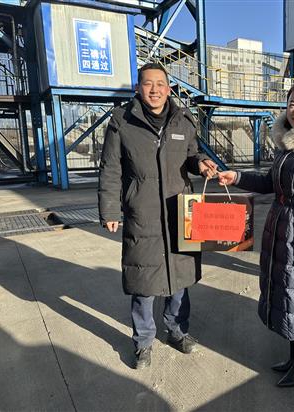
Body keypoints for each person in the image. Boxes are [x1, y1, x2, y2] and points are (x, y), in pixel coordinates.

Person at [218, 81, 294, 387]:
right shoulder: (289, 143)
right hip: (283, 229)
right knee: (291, 299)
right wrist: (236, 177)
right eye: (292, 104)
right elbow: (270, 183)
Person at [98, 63, 217, 369]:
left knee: (179, 278)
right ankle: (143, 342)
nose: (155, 90)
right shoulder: (122, 121)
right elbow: (110, 169)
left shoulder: (182, 120)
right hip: (143, 211)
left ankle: (177, 331)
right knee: (144, 282)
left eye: (160, 84)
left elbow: (191, 154)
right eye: (148, 84)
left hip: (180, 209)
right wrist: (110, 209)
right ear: (138, 88)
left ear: (168, 88)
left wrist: (201, 163)